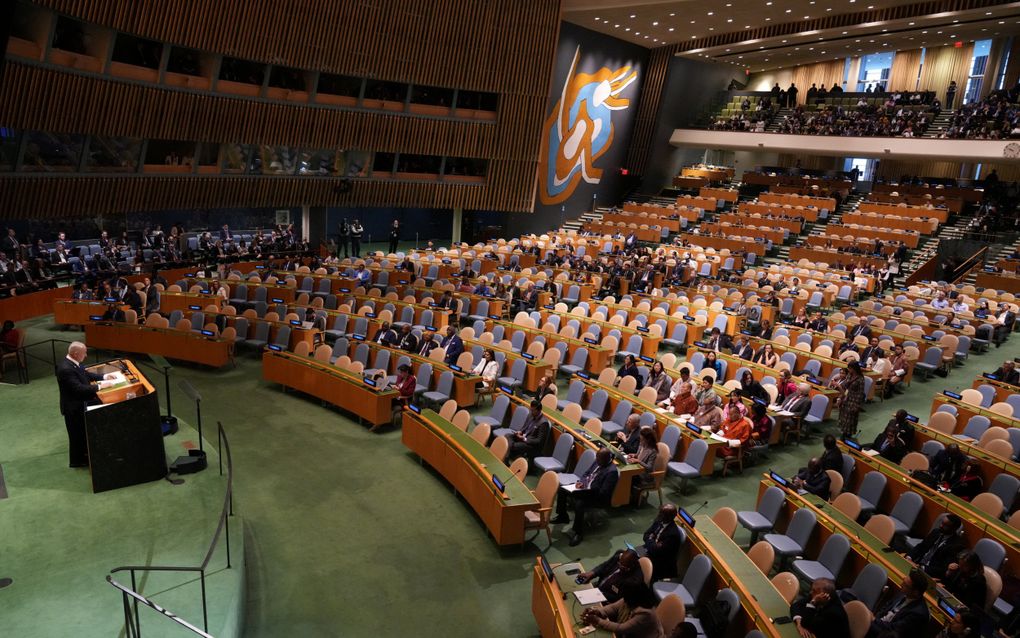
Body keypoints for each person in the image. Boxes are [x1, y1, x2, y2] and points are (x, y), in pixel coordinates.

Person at [57, 342, 114, 468]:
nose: (86, 355)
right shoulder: (66, 369)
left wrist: (104, 376)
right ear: (76, 354)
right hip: (73, 408)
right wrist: (100, 386)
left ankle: (84, 457)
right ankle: (77, 462)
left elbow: (86, 374)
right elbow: (78, 389)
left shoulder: (74, 363)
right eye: (84, 353)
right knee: (76, 435)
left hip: (79, 404)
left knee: (82, 433)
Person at [553, 447, 619, 546]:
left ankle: (578, 532)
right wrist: (581, 482)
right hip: (585, 488)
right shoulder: (598, 461)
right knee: (562, 489)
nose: (597, 460)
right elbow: (587, 473)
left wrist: (587, 489)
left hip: (597, 497)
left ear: (606, 459)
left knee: (580, 504)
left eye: (599, 459)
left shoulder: (611, 472)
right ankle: (562, 516)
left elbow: (604, 493)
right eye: (597, 458)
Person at [580, 583, 663, 637]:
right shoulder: (632, 598)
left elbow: (621, 628)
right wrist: (599, 612)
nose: (624, 600)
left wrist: (598, 620)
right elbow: (613, 608)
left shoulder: (645, 613)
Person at [870, 570, 931, 638]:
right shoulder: (904, 592)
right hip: (879, 624)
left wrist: (874, 620)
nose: (901, 584)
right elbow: (886, 607)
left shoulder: (918, 614)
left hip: (886, 634)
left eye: (905, 585)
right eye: (903, 581)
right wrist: (875, 618)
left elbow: (894, 629)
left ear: (915, 592)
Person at [574, 548, 645, 603]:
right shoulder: (619, 556)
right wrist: (592, 573)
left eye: (622, 567)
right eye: (619, 563)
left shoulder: (633, 582)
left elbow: (619, 599)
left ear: (630, 567)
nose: (619, 567)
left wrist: (598, 594)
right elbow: (605, 566)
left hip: (606, 599)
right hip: (598, 587)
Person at [908, 514, 965, 579]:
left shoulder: (956, 545)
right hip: (917, 565)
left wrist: (923, 568)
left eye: (945, 525)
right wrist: (910, 556)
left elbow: (944, 569)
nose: (941, 526)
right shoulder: (936, 532)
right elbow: (921, 546)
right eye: (942, 523)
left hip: (930, 574)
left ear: (954, 529)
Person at [641, 504, 683, 580]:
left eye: (662, 514)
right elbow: (645, 535)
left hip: (660, 562)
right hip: (648, 550)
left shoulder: (673, 534)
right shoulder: (658, 521)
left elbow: (656, 551)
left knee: (636, 564)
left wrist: (651, 538)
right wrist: (652, 541)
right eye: (660, 512)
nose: (659, 515)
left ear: (670, 517)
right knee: (623, 553)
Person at [627, 427, 659, 501]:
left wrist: (638, 461)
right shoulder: (641, 444)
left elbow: (649, 467)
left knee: (629, 477)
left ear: (648, 440)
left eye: (642, 439)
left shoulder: (652, 451)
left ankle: (630, 498)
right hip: (636, 468)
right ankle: (626, 496)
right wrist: (633, 455)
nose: (640, 440)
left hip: (645, 475)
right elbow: (637, 454)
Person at [383, 364, 417, 431]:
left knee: (387, 401)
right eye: (400, 372)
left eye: (402, 372)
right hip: (395, 396)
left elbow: (409, 393)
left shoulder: (412, 379)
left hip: (403, 399)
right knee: (384, 399)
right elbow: (396, 385)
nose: (400, 374)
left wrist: (398, 389)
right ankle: (383, 419)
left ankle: (385, 420)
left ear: (406, 372)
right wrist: (393, 386)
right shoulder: (399, 377)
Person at [838, 361, 865, 438]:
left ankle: (847, 435)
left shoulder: (860, 379)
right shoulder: (849, 375)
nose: (848, 370)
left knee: (850, 419)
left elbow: (860, 393)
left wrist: (857, 405)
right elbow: (845, 385)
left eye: (849, 368)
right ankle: (844, 433)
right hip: (847, 397)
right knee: (844, 417)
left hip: (855, 400)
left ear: (854, 368)